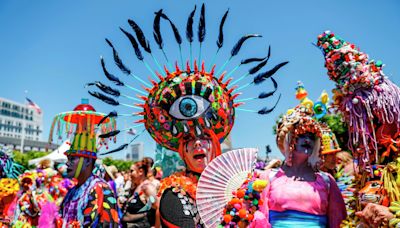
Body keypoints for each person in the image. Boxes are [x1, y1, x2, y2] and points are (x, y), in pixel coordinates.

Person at [253, 106, 347, 227]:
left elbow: (339, 222)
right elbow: (259, 217)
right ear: (289, 139)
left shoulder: (327, 181)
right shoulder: (268, 177)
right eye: (302, 135)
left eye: (312, 136)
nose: (308, 140)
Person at [53, 99, 119, 227]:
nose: (67, 164)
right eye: (68, 159)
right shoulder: (72, 191)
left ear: (88, 161)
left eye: (72, 159)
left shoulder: (101, 189)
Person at [121, 161, 158, 228]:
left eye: (131, 171)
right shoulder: (135, 187)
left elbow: (158, 208)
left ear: (140, 171)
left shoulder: (147, 187)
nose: (129, 174)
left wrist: (156, 226)